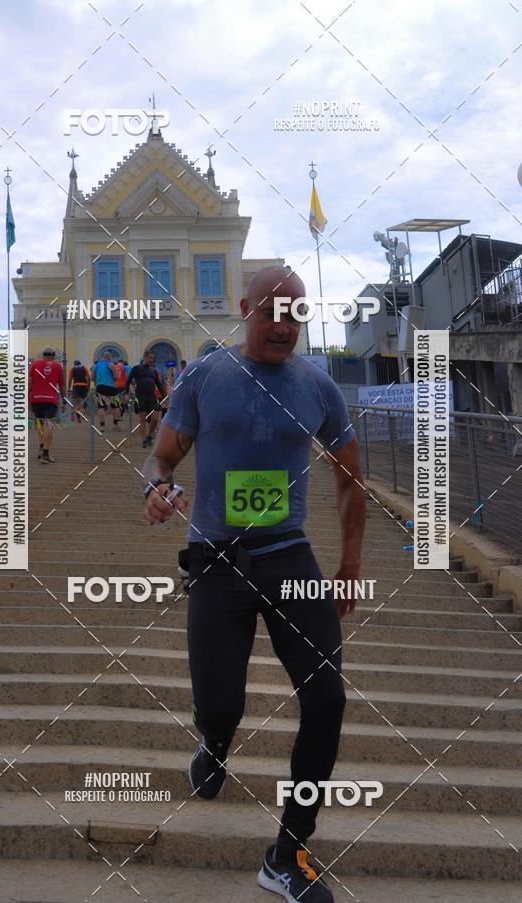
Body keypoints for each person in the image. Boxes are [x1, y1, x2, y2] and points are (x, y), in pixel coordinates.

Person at [143, 266, 366, 903]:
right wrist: (156, 486)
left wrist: (348, 566)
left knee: (326, 700)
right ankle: (213, 740)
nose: (282, 325)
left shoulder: (318, 387)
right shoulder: (207, 377)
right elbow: (163, 455)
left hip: (289, 556)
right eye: (270, 312)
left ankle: (287, 855)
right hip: (216, 560)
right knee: (221, 705)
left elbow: (350, 479)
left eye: (296, 314)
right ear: (243, 310)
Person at [29, 346, 66, 463]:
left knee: (39, 423)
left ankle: (41, 447)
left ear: (43, 356)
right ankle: (45, 454)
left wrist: (26, 399)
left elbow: (29, 382)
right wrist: (64, 401)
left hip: (35, 398)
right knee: (48, 424)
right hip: (50, 399)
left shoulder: (35, 364)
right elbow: (62, 386)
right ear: (53, 356)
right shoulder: (57, 366)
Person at [122, 350, 166, 448]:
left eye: (153, 358)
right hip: (140, 396)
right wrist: (126, 393)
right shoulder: (136, 368)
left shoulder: (153, 370)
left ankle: (149, 435)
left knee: (155, 419)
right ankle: (144, 440)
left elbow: (158, 384)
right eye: (150, 358)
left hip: (152, 396)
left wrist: (164, 397)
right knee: (142, 418)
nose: (152, 360)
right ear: (145, 357)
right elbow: (128, 381)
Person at [91, 352, 120, 432]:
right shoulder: (111, 364)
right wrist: (111, 378)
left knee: (101, 406)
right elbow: (117, 377)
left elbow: (92, 378)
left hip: (100, 387)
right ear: (110, 357)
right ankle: (116, 424)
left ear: (103, 358)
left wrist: (99, 379)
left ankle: (102, 426)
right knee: (115, 405)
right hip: (111, 387)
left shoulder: (96, 366)